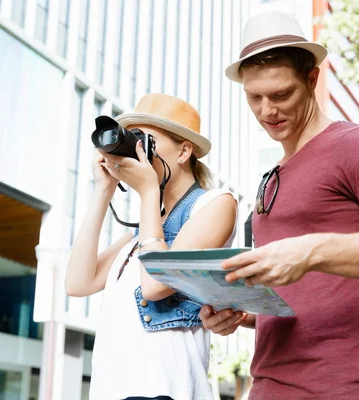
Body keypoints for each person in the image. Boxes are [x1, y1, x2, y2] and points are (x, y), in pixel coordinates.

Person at [199, 11, 359, 400]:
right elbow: (307, 298)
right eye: (254, 97)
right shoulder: (271, 177)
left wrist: (309, 250)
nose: (266, 111)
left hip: (348, 391)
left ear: (312, 79)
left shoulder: (358, 145)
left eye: (281, 94)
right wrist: (242, 314)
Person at [65, 93, 237, 400]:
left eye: (147, 140)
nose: (138, 151)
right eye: (133, 141)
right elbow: (77, 283)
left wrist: (146, 191)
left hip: (165, 392)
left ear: (184, 151)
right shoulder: (139, 237)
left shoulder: (214, 205)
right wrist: (102, 191)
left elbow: (156, 285)